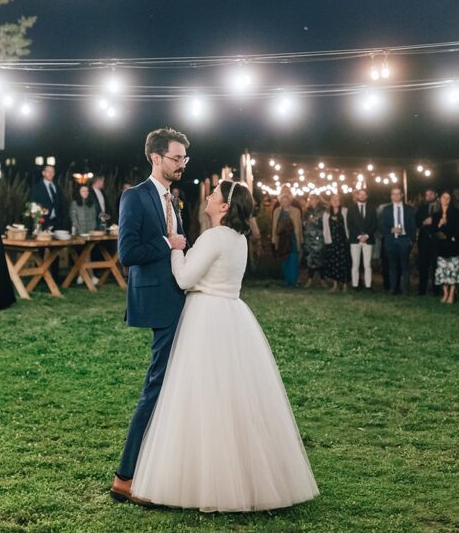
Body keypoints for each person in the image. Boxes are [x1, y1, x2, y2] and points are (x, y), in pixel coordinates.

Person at [130, 180, 319, 511]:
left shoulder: (214, 237)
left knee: (198, 397)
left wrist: (176, 250)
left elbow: (185, 279)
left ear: (225, 207)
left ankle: (197, 481)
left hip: (205, 318)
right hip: (233, 315)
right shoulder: (239, 239)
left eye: (214, 193)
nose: (208, 196)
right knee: (234, 396)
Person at [111, 127, 190, 505]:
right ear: (155, 158)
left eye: (184, 159)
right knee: (157, 384)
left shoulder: (172, 200)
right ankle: (125, 475)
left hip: (178, 295)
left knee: (172, 382)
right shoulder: (134, 197)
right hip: (157, 300)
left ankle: (164, 463)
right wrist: (167, 242)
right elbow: (127, 252)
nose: (182, 165)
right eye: (176, 158)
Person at [379, 187, 415, 294]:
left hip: (404, 240)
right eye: (394, 194)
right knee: (392, 265)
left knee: (405, 265)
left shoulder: (409, 209)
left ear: (402, 195)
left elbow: (413, 226)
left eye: (398, 194)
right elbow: (381, 225)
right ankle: (393, 288)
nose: (396, 196)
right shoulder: (386, 209)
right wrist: (391, 229)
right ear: (391, 196)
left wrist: (411, 240)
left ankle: (405, 289)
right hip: (391, 240)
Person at [432, 191, 459, 304]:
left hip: (453, 247)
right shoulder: (436, 214)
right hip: (441, 247)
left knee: (453, 270)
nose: (446, 200)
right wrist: (440, 224)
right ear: (440, 198)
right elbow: (434, 231)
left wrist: (451, 236)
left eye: (448, 198)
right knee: (443, 271)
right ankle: (445, 293)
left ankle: (452, 294)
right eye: (444, 197)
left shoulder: (455, 212)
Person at [348, 188, 378, 291]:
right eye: (360, 194)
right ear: (357, 196)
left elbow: (374, 223)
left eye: (364, 194)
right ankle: (355, 285)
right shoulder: (351, 208)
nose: (362, 196)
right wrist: (359, 236)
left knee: (367, 264)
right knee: (355, 263)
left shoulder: (372, 208)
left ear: (367, 196)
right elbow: (350, 224)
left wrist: (367, 236)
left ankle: (368, 285)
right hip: (355, 239)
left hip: (368, 240)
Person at [272, 190, 303, 287]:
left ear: (290, 201)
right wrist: (274, 239)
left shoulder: (296, 211)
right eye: (283, 201)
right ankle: (287, 280)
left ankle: (294, 280)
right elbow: (274, 226)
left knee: (293, 259)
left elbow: (299, 226)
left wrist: (300, 239)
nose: (284, 202)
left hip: (292, 238)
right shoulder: (277, 211)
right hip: (282, 239)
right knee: (284, 259)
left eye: (286, 200)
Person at [322, 193, 351, 293]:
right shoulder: (326, 213)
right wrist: (326, 240)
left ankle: (345, 285)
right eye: (333, 199)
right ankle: (335, 285)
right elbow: (325, 229)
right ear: (330, 201)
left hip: (343, 241)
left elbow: (349, 226)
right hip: (332, 242)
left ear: (340, 201)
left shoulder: (345, 211)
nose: (335, 201)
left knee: (344, 263)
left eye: (337, 199)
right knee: (334, 263)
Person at [415, 188, 438, 296]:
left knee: (436, 266)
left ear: (436, 194)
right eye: (427, 194)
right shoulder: (422, 208)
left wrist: (434, 222)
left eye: (431, 194)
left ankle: (436, 289)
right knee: (423, 265)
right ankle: (422, 289)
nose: (428, 196)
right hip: (424, 241)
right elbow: (416, 222)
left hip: (437, 241)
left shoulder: (441, 208)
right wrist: (423, 222)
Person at [30, 164, 67, 231]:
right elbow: (33, 205)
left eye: (52, 171)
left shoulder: (58, 187)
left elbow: (62, 204)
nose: (51, 173)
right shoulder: (36, 188)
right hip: (43, 223)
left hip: (58, 224)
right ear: (43, 173)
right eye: (48, 171)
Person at [300, 193, 326, 288]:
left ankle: (322, 279)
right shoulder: (306, 211)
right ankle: (310, 279)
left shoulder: (323, 211)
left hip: (319, 238)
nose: (311, 201)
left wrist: (315, 222)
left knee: (320, 258)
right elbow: (303, 223)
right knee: (309, 259)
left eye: (313, 199)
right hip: (308, 238)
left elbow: (324, 224)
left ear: (318, 200)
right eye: (310, 199)